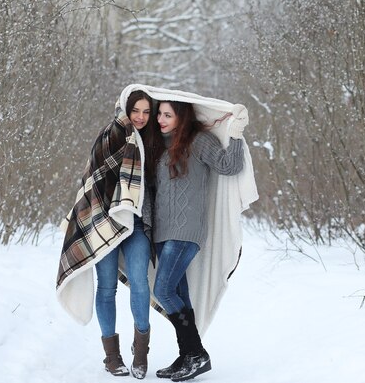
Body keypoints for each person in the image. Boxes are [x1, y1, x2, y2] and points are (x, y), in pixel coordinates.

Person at [55, 88, 159, 380]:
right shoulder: (109, 134)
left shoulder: (151, 140)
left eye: (145, 112)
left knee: (140, 282)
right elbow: (94, 179)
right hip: (104, 220)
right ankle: (112, 357)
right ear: (126, 108)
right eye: (135, 110)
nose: (140, 117)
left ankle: (141, 352)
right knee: (106, 287)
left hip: (137, 222)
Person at [150, 100, 248, 382]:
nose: (160, 119)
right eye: (159, 114)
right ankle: (187, 356)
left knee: (164, 290)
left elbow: (230, 166)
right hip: (162, 232)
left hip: (186, 230)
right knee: (178, 294)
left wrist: (237, 133)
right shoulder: (158, 145)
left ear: (181, 116)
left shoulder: (199, 140)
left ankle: (197, 354)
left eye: (167, 114)